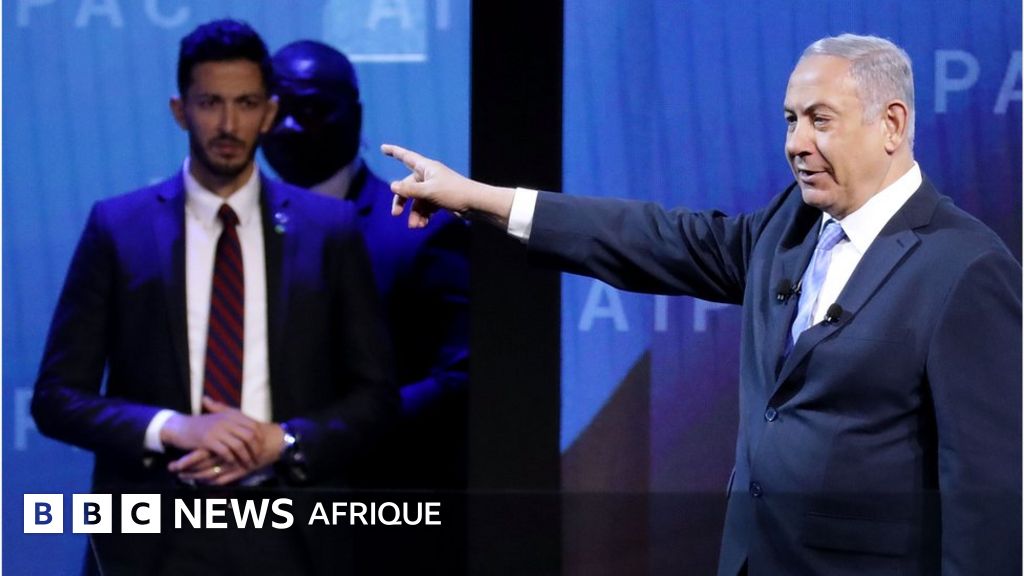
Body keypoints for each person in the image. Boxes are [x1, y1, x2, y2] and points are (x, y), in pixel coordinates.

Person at [381, 34, 1022, 575]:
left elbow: (990, 498)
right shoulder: (791, 224)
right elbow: (657, 239)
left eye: (820, 120)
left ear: (892, 124)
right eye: (790, 120)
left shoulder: (965, 268)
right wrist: (480, 198)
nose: (796, 143)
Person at [31, 20, 396, 575]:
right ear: (180, 110)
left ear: (268, 112)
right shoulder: (119, 227)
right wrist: (170, 428)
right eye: (210, 103)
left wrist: (284, 441)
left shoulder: (330, 229)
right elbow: (57, 397)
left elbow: (376, 398)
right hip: (152, 534)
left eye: (246, 103)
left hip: (289, 528)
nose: (228, 124)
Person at [262, 40, 470, 490]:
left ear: (354, 116)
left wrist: (316, 438)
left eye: (312, 109)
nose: (290, 126)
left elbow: (460, 377)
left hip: (377, 495)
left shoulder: (419, 230)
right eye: (275, 110)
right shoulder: (231, 226)